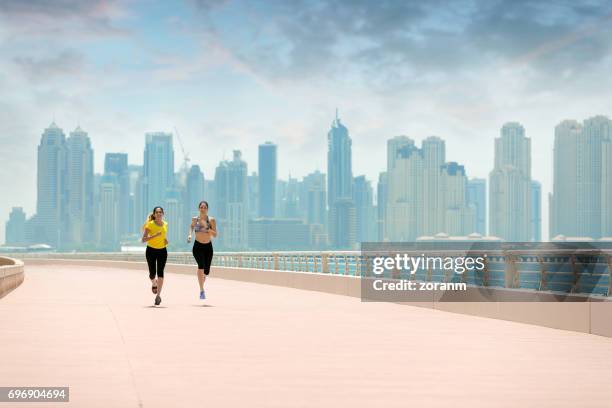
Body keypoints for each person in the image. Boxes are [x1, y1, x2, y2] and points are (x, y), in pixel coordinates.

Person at [187, 201, 217, 299]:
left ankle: (203, 276)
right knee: (201, 266)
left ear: (207, 209)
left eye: (205, 207)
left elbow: (215, 234)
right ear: (199, 208)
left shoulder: (211, 220)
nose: (203, 209)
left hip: (208, 247)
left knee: (206, 271)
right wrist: (190, 235)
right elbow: (191, 226)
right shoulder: (195, 219)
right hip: (198, 246)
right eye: (201, 207)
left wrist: (207, 227)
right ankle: (201, 290)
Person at [142, 206, 168, 306]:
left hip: (162, 251)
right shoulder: (150, 225)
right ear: (154, 214)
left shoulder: (165, 224)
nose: (159, 214)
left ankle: (158, 296)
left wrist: (166, 241)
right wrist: (155, 236)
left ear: (163, 214)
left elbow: (164, 237)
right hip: (151, 251)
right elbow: (143, 239)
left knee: (160, 273)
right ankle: (154, 283)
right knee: (152, 273)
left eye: (160, 212)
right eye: (157, 212)